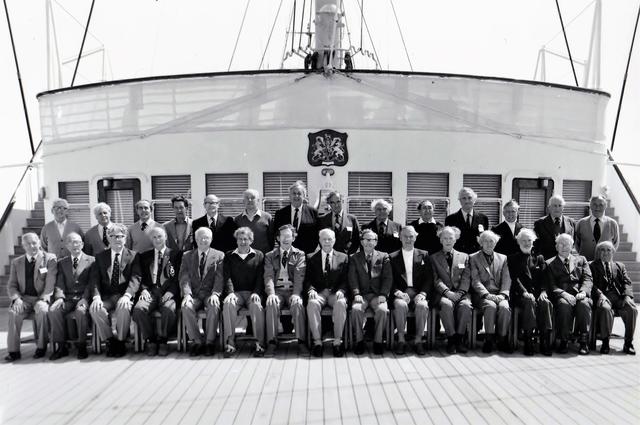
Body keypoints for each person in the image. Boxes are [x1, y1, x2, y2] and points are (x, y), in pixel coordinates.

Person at [89, 223, 142, 357]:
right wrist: (96, 297)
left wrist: (127, 295)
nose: (117, 239)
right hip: (106, 296)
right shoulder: (100, 257)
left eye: (120, 236)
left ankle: (121, 340)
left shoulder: (134, 256)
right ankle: (110, 340)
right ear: (108, 238)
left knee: (123, 307)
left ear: (125, 238)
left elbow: (136, 278)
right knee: (95, 308)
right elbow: (94, 280)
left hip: (124, 295)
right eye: (113, 236)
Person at [5, 233, 57, 361]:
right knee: (13, 313)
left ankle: (41, 347)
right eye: (28, 244)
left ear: (39, 243)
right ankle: (13, 351)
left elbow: (50, 282)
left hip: (41, 298)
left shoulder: (49, 258)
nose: (32, 246)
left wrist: (44, 299)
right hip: (24, 299)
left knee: (43, 311)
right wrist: (16, 299)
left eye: (34, 242)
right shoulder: (16, 262)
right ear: (23, 246)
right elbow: (11, 285)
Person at [132, 227, 182, 356]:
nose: (157, 239)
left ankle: (163, 340)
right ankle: (151, 339)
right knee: (138, 310)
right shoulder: (144, 256)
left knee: (169, 309)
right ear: (151, 240)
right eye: (154, 237)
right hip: (151, 291)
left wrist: (172, 291)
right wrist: (143, 290)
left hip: (168, 292)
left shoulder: (176, 254)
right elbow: (139, 276)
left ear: (165, 237)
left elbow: (179, 277)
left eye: (160, 236)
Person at [49, 232, 95, 360]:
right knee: (54, 310)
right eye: (72, 242)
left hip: (84, 297)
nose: (75, 245)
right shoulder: (62, 262)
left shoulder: (91, 260)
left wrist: (85, 299)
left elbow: (92, 283)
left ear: (82, 244)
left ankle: (81, 345)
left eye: (78, 242)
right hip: (67, 298)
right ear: (67, 246)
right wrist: (59, 298)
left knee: (80, 312)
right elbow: (60, 283)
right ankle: (61, 346)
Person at [179, 227, 225, 357]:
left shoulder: (219, 255)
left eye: (207, 237)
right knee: (186, 306)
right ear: (196, 239)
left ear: (211, 239)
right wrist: (187, 294)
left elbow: (220, 277)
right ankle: (197, 341)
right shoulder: (187, 256)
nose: (203, 240)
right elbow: (184, 277)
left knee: (214, 305)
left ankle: (210, 342)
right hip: (194, 294)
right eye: (201, 237)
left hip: (210, 293)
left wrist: (216, 294)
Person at [507, 228, 553, 356]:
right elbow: (514, 279)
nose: (527, 243)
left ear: (533, 242)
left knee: (546, 303)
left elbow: (545, 277)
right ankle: (528, 339)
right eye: (523, 240)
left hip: (538, 294)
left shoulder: (539, 258)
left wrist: (543, 291)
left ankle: (544, 340)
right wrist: (524, 292)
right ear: (518, 242)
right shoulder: (512, 258)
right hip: (520, 295)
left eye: (529, 240)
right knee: (528, 302)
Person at [304, 228, 349, 357]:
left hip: (336, 293)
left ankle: (337, 342)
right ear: (319, 241)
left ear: (334, 240)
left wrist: (342, 290)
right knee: (312, 303)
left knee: (341, 303)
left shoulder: (343, 257)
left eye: (330, 239)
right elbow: (307, 279)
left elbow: (346, 279)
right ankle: (318, 342)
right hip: (319, 293)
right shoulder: (311, 257)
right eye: (324, 239)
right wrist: (311, 289)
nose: (327, 242)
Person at [263, 225, 307, 356]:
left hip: (293, 290)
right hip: (277, 291)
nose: (285, 239)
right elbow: (268, 276)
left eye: (289, 236)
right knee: (271, 303)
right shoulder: (270, 256)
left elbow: (300, 276)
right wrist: (271, 294)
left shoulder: (300, 254)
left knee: (298, 304)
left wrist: (296, 294)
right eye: (283, 236)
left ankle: (301, 341)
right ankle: (272, 342)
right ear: (277, 238)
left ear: (293, 238)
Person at [222, 227, 266, 357]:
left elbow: (260, 277)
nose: (242, 242)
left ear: (251, 240)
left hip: (253, 293)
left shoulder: (259, 255)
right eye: (240, 239)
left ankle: (260, 343)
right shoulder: (229, 255)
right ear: (236, 240)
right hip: (236, 294)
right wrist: (230, 292)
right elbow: (227, 276)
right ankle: (230, 342)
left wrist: (257, 292)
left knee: (257, 306)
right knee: (228, 304)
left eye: (245, 239)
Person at [546, 233, 592, 355]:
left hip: (579, 294)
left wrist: (583, 291)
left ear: (572, 246)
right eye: (561, 244)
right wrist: (564, 294)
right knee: (564, 306)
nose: (564, 247)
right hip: (562, 296)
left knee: (584, 305)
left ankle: (583, 340)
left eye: (567, 244)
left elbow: (588, 279)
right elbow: (551, 285)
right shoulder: (549, 263)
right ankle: (563, 340)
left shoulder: (581, 260)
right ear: (556, 247)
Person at [389, 226, 433, 355]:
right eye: (405, 236)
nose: (408, 239)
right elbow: (389, 279)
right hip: (401, 293)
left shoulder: (424, 254)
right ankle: (401, 339)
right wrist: (398, 292)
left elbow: (429, 278)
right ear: (400, 238)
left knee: (423, 306)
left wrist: (423, 293)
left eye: (411, 236)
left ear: (415, 237)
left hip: (418, 293)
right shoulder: (392, 256)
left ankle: (418, 340)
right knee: (400, 305)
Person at [348, 229, 392, 355]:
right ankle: (359, 341)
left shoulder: (384, 256)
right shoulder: (354, 258)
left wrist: (384, 294)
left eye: (371, 240)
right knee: (356, 309)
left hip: (378, 295)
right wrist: (356, 293)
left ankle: (378, 341)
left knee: (383, 310)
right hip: (361, 295)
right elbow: (352, 278)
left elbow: (388, 278)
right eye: (366, 239)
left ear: (376, 242)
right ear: (361, 242)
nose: (368, 242)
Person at [430, 226, 472, 354]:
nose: (448, 241)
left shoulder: (465, 257)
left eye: (451, 238)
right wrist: (447, 292)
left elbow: (466, 277)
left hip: (461, 293)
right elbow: (435, 279)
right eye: (445, 238)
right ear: (441, 240)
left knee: (466, 305)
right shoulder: (433, 258)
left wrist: (459, 293)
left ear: (455, 240)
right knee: (446, 304)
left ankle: (459, 338)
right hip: (443, 293)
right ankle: (451, 338)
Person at [590, 241, 636, 355]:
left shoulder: (620, 266)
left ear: (613, 252)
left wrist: (627, 296)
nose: (605, 253)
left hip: (618, 298)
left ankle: (628, 343)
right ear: (598, 252)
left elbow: (627, 282)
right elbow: (590, 284)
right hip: (602, 297)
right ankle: (605, 342)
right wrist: (600, 295)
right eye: (602, 250)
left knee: (632, 309)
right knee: (605, 309)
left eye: (608, 250)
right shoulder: (592, 265)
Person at [470, 230, 512, 353]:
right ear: (481, 243)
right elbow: (475, 280)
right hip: (482, 295)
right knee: (490, 306)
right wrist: (487, 294)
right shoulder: (473, 258)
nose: (489, 244)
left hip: (500, 294)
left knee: (505, 307)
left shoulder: (503, 258)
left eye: (492, 241)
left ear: (496, 243)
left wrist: (503, 294)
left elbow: (506, 278)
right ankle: (488, 339)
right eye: (486, 241)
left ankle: (502, 339)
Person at [274, 181, 319, 254]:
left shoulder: (313, 212)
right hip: (287, 254)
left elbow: (317, 235)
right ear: (289, 196)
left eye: (299, 193)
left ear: (304, 196)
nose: (296, 196)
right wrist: (285, 248)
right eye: (294, 193)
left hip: (307, 255)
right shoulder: (280, 214)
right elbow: (276, 234)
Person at [445, 188, 489, 254]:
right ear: (460, 201)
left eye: (469, 198)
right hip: (458, 256)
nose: (467, 201)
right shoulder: (450, 219)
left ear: (474, 200)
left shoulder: (483, 218)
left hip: (477, 256)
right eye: (464, 198)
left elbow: (485, 240)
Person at [575, 195, 619, 261]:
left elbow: (615, 244)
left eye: (601, 205)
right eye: (594, 204)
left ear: (605, 206)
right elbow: (577, 243)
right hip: (585, 264)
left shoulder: (612, 224)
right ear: (590, 206)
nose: (597, 208)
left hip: (604, 265)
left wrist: (606, 256)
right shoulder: (581, 223)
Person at [318, 190, 360, 255]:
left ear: (342, 201)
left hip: (347, 259)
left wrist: (349, 255)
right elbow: (319, 239)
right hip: (329, 257)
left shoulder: (352, 219)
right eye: (333, 202)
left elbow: (357, 240)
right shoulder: (322, 220)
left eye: (338, 201)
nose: (336, 205)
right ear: (329, 203)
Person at [533, 195, 576, 259]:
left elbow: (574, 243)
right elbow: (536, 246)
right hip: (547, 263)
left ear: (563, 207)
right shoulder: (539, 223)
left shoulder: (571, 222)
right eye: (554, 206)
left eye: (560, 205)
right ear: (549, 207)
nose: (557, 208)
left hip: (566, 262)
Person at [234, 189, 274, 254]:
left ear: (258, 200)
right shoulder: (237, 219)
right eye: (247, 198)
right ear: (243, 201)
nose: (250, 200)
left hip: (264, 258)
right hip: (244, 258)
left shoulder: (267, 217)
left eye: (252, 198)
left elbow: (271, 239)